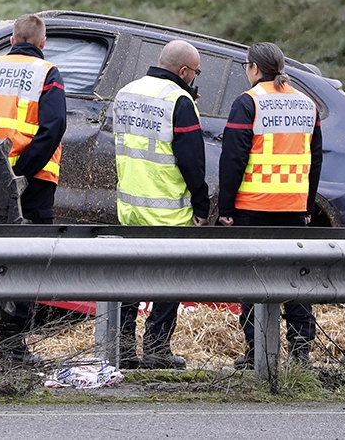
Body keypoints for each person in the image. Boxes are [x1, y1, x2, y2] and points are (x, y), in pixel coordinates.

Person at [0, 12, 66, 367]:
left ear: (11, 40)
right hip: (34, 182)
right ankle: (13, 348)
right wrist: (20, 172)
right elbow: (53, 127)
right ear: (42, 43)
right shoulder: (47, 73)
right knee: (27, 261)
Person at [218, 42, 321, 369]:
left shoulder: (248, 102)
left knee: (255, 281)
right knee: (296, 281)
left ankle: (257, 353)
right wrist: (307, 205)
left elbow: (233, 159)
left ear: (253, 68)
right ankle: (300, 354)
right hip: (292, 208)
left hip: (253, 207)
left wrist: (225, 209)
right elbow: (314, 161)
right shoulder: (307, 104)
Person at [112, 39, 210, 370]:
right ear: (183, 71)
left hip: (129, 207)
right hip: (168, 210)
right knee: (169, 280)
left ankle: (122, 349)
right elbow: (192, 159)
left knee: (128, 281)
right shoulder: (179, 101)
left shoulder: (127, 92)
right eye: (195, 73)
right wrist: (201, 204)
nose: (195, 78)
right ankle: (156, 350)